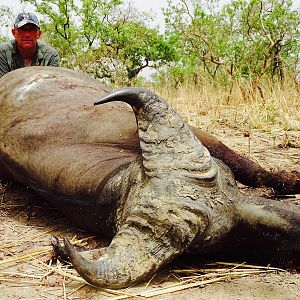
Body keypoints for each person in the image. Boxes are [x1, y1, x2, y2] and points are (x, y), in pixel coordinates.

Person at [0, 12, 60, 78]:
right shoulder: (3, 52)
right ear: (14, 33)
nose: (27, 35)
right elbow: (2, 84)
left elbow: (52, 84)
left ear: (38, 34)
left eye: (32, 30)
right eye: (22, 30)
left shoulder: (51, 56)